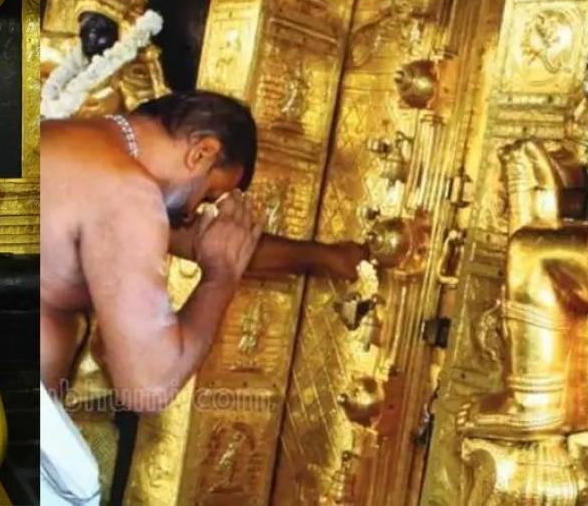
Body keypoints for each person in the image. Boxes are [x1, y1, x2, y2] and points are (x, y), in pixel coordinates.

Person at [40, 90, 367, 504]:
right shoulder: (127, 193)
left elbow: (210, 242)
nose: (196, 213)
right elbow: (150, 385)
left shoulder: (75, 142)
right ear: (202, 152)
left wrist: (327, 258)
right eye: (209, 196)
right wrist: (220, 278)